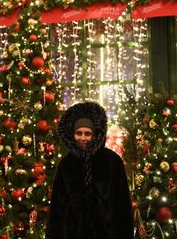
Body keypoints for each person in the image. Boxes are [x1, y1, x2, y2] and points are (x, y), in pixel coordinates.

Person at [47, 101, 133, 239]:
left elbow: (122, 207)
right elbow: (57, 210)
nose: (83, 138)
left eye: (88, 133)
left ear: (95, 134)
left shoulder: (112, 161)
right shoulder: (66, 164)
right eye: (78, 133)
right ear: (72, 134)